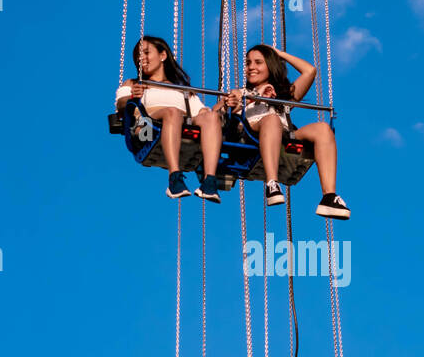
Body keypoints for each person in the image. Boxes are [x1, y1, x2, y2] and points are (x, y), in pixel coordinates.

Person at [224, 45, 349, 219]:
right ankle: (272, 183)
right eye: (248, 63)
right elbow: (224, 109)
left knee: (323, 129)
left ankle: (329, 197)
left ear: (270, 65)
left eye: (258, 62)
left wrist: (279, 54)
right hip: (252, 133)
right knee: (272, 120)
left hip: (283, 135)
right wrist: (251, 97)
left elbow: (310, 71)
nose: (251, 67)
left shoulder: (281, 96)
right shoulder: (241, 93)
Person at [115, 36, 222, 202]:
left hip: (178, 123)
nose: (141, 58)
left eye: (146, 52)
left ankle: (209, 181)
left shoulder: (181, 90)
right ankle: (174, 177)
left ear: (162, 55)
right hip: (146, 130)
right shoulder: (134, 83)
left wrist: (222, 105)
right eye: (137, 56)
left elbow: (201, 112)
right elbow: (121, 104)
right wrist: (132, 96)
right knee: (172, 112)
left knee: (211, 117)